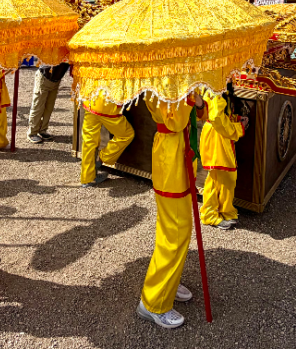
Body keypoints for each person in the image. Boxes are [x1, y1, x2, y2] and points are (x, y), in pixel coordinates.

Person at [137, 93, 199, 330]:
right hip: (171, 156)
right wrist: (192, 99)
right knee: (174, 233)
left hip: (178, 154)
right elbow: (174, 121)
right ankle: (154, 302)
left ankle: (169, 284)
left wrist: (197, 102)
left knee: (179, 229)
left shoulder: (174, 77)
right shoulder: (161, 79)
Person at [199, 85, 248, 230]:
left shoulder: (220, 86)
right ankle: (210, 214)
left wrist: (236, 119)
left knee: (224, 177)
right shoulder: (216, 88)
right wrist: (238, 128)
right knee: (219, 178)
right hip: (217, 136)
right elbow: (216, 118)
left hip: (219, 135)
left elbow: (220, 114)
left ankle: (224, 211)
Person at [79, 94, 135, 187]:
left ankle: (87, 178)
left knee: (89, 141)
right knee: (126, 135)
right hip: (107, 104)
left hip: (90, 100)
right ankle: (101, 158)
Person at [27, 62, 69, 144]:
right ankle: (32, 132)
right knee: (38, 107)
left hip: (55, 80)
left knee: (49, 108)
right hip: (44, 76)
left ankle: (42, 130)